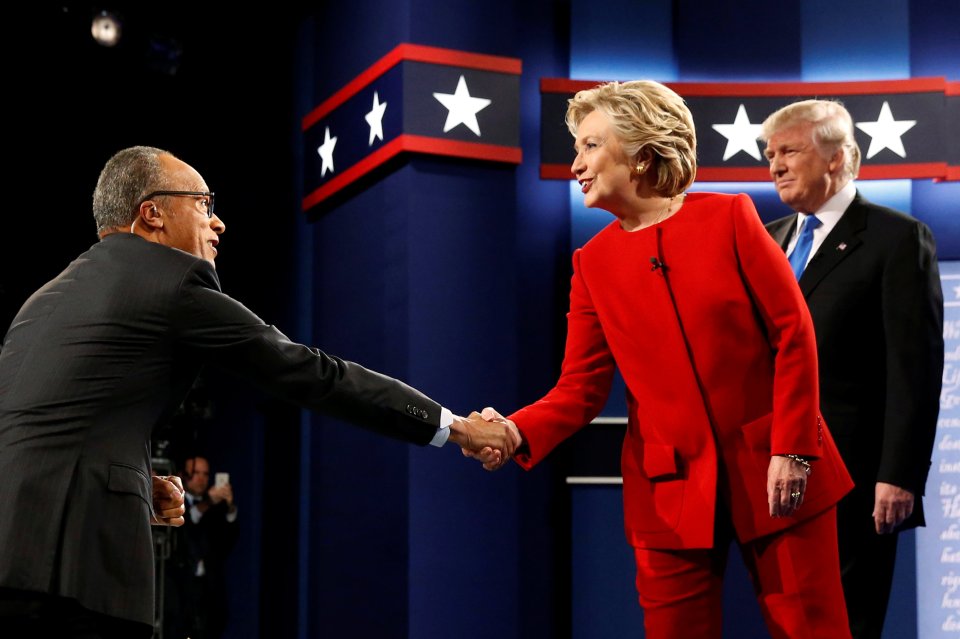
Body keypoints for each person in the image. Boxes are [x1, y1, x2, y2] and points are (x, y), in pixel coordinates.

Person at [0, 146, 520, 638]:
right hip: (72, 579)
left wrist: (129, 480)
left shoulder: (43, 299)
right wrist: (457, 428)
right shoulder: (172, 281)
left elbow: (58, 423)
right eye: (203, 204)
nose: (218, 221)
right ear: (152, 214)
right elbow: (313, 374)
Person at [467, 81, 854, 638]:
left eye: (590, 146)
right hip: (667, 490)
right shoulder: (591, 264)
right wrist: (512, 430)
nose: (575, 163)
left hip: (777, 469)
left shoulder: (730, 218)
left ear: (643, 155)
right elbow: (579, 388)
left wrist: (792, 448)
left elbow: (793, 333)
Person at [761, 100, 944, 639]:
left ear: (838, 157)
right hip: (771, 477)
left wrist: (899, 474)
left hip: (855, 479)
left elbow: (914, 368)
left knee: (848, 623)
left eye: (789, 151)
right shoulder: (767, 240)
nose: (775, 165)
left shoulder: (895, 238)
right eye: (770, 154)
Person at [163, 456, 239, 639]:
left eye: (206, 474)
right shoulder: (172, 501)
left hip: (208, 592)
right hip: (179, 589)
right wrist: (207, 504)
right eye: (196, 473)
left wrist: (229, 507)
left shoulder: (215, 507)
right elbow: (186, 523)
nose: (201, 479)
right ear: (182, 475)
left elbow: (227, 543)